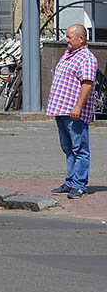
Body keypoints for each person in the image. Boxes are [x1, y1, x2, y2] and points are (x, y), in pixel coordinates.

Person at [46, 23, 98, 199]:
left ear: (81, 38)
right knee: (68, 148)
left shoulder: (86, 58)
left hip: (74, 111)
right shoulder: (68, 55)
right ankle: (70, 181)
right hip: (61, 109)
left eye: (69, 37)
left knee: (79, 149)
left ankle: (79, 185)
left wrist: (78, 106)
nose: (66, 40)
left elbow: (87, 83)